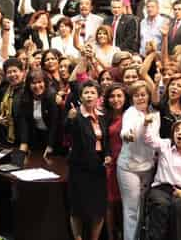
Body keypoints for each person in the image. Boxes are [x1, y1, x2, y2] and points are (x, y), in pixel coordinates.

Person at [143, 119, 181, 240]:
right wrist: (146, 124)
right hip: (161, 189)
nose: (179, 133)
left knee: (178, 205)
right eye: (177, 130)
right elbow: (149, 139)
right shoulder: (165, 145)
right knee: (161, 204)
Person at [66, 79, 111, 240]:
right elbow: (66, 132)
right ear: (81, 96)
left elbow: (106, 140)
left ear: (98, 96)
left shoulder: (103, 116)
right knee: (77, 209)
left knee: (98, 210)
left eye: (93, 92)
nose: (89, 95)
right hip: (79, 168)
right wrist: (70, 119)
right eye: (86, 92)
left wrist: (107, 154)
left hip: (98, 168)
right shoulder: (76, 114)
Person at [117, 80, 160, 240]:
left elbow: (152, 139)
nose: (140, 98)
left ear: (149, 96)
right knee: (131, 210)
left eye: (143, 95)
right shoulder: (130, 112)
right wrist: (128, 135)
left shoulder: (155, 114)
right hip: (129, 167)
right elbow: (126, 130)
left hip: (148, 167)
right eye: (136, 96)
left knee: (143, 209)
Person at [103, 83, 130, 240]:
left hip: (128, 165)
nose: (115, 99)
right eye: (112, 96)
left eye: (119, 96)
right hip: (111, 164)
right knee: (110, 203)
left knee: (125, 204)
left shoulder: (131, 115)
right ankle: (111, 235)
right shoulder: (105, 116)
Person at [0, 59, 28, 152]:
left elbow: (25, 119)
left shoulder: (28, 90)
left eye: (15, 71)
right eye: (9, 72)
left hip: (24, 139)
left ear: (23, 72)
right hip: (5, 137)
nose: (12, 75)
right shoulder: (3, 90)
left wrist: (24, 143)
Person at [23, 69, 59, 156]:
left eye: (40, 82)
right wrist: (24, 143)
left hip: (54, 140)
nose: (37, 86)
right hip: (37, 139)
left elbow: (55, 124)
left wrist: (50, 145)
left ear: (45, 83)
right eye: (33, 83)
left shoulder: (51, 97)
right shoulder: (26, 99)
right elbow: (25, 123)